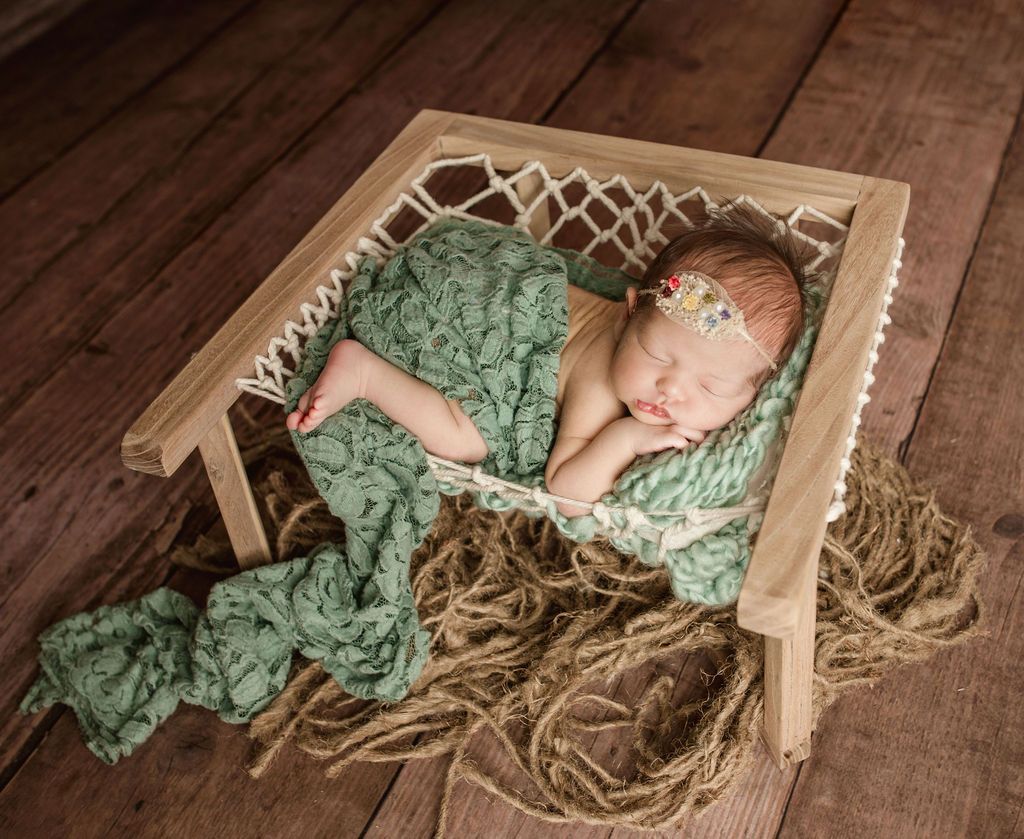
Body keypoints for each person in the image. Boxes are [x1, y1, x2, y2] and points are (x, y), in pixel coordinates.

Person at [285, 201, 811, 518]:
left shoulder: (668, 321)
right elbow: (566, 491)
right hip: (456, 327)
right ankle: (364, 372)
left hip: (480, 274)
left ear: (756, 392)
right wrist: (625, 437)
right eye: (656, 354)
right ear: (628, 315)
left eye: (713, 389)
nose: (671, 389)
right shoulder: (603, 386)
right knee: (467, 438)